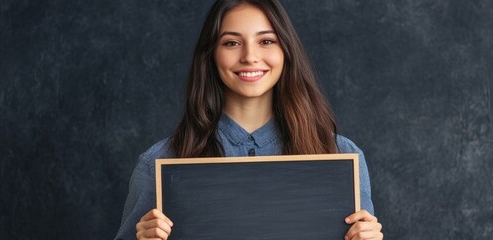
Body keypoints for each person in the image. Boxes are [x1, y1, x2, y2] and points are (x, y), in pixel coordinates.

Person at [114, 0, 383, 239]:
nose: (250, 57)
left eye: (266, 41)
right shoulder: (159, 162)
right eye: (232, 42)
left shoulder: (341, 155)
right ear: (211, 55)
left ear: (286, 51)